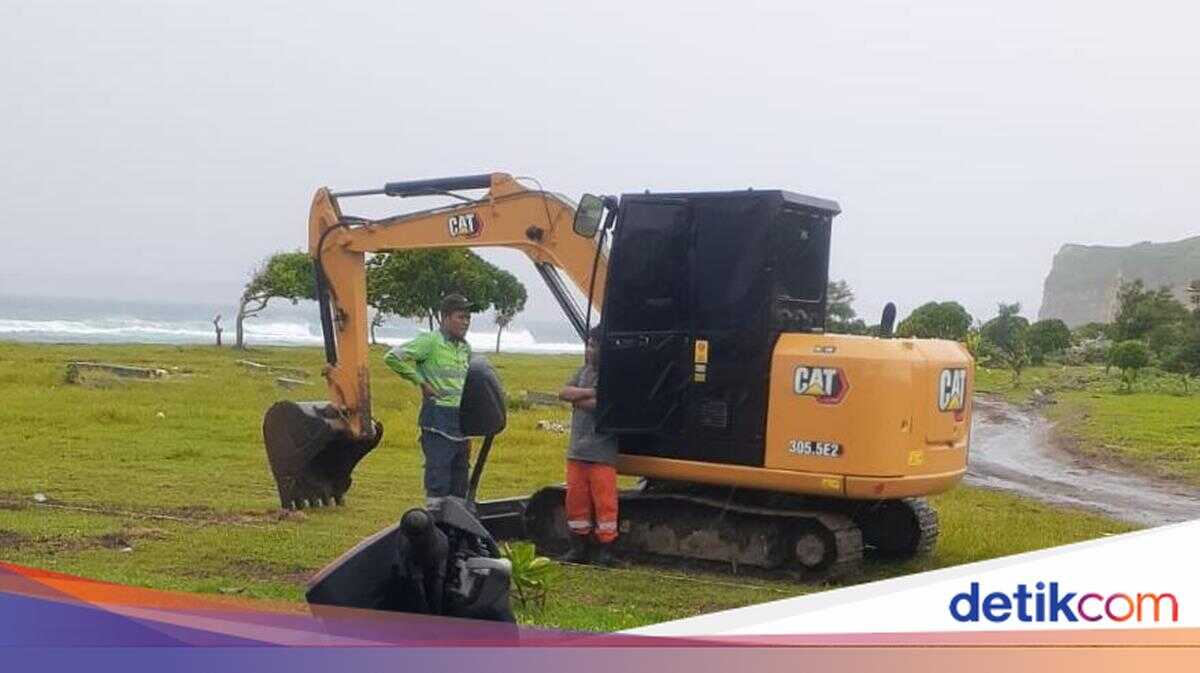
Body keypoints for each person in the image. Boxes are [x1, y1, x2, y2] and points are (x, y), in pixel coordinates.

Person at [385, 294, 474, 507]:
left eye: (468, 318)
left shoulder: (465, 348)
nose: (465, 322)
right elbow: (392, 357)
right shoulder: (430, 341)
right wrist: (421, 382)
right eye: (460, 317)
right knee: (439, 473)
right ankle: (436, 518)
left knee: (460, 476)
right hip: (437, 419)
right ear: (445, 317)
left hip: (461, 419)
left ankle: (457, 520)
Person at [558, 326, 619, 565]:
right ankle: (578, 547)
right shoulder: (583, 372)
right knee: (576, 501)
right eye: (589, 344)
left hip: (602, 453)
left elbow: (603, 404)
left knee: (605, 503)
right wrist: (588, 393)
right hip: (577, 452)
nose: (589, 350)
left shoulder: (613, 376)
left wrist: (578, 399)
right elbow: (563, 392)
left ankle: (606, 549)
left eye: (594, 345)